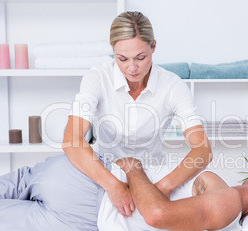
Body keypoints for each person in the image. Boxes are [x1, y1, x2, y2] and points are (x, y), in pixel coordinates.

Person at [62, 11, 212, 219]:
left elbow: (202, 150)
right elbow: (71, 140)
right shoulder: (98, 77)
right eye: (122, 59)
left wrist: (164, 187)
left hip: (153, 176)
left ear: (154, 47)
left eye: (141, 58)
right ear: (113, 51)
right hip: (104, 174)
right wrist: (113, 186)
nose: (132, 68)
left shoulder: (173, 85)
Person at [0, 154, 248, 231]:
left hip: (89, 196)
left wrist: (133, 168)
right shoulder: (226, 209)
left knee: (5, 190)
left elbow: (157, 214)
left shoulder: (229, 202)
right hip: (87, 208)